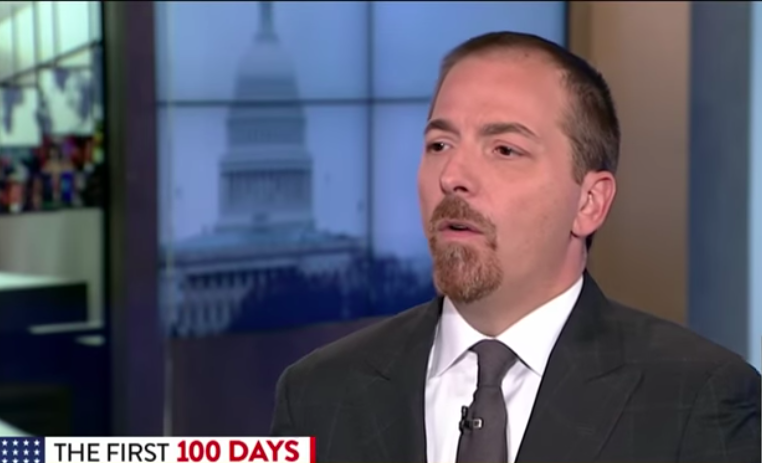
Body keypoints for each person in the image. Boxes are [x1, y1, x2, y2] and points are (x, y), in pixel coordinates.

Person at [270, 31, 761, 463]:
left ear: (589, 202)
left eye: (504, 149)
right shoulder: (318, 393)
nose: (452, 176)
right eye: (439, 145)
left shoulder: (697, 399)